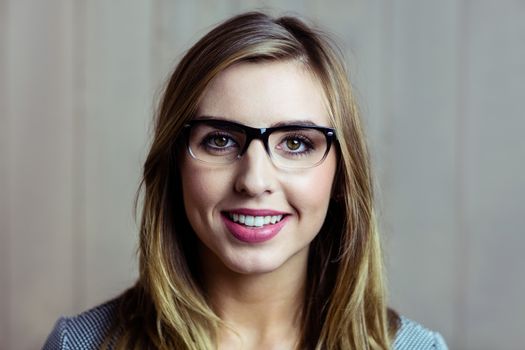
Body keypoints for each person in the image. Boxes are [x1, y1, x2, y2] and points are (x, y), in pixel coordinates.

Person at [43, 11, 448, 350]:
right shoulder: (79, 344)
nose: (255, 181)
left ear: (342, 176)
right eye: (219, 140)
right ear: (174, 166)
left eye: (295, 143)